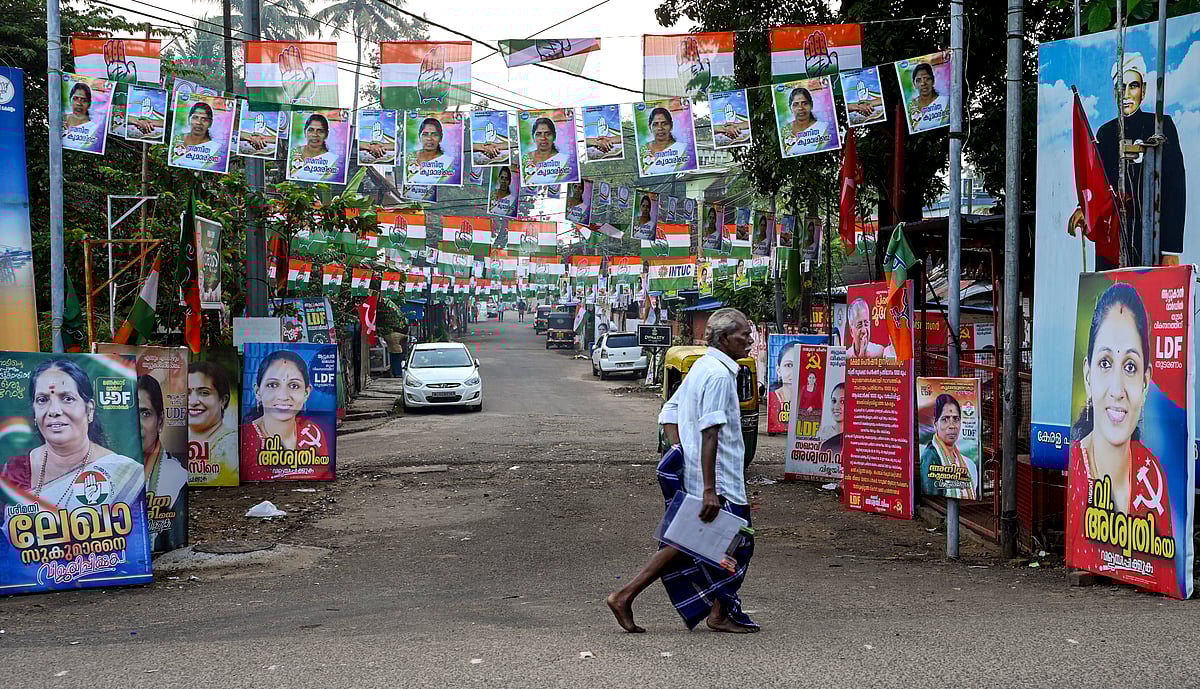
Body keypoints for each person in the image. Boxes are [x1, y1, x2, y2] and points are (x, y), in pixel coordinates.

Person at [607, 308, 759, 634]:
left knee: (686, 542)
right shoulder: (718, 375)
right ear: (723, 339)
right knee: (738, 543)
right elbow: (710, 433)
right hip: (720, 480)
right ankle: (718, 613)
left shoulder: (704, 365)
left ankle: (625, 595)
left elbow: (669, 411)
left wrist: (681, 450)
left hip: (701, 473)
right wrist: (709, 488)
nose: (749, 339)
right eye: (743, 334)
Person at [1066, 282, 1174, 592]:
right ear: (1088, 375)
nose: (1116, 389)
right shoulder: (1077, 466)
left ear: (1145, 380)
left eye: (1129, 366)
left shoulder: (1151, 476)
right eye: (1105, 363)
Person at [1079, 53, 1185, 270]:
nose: (1126, 94)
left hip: (1153, 239)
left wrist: (1171, 249)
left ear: (1143, 90)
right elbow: (1098, 181)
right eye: (1120, 87)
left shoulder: (1161, 126)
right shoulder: (1106, 133)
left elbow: (1175, 189)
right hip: (1113, 240)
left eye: (1133, 86)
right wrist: (1082, 208)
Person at [0, 359, 144, 511]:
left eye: (67, 399)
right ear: (34, 412)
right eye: (42, 400)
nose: (54, 411)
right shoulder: (12, 472)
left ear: (89, 410)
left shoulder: (124, 474)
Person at [240, 350, 330, 470]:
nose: (283, 396)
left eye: (294, 386)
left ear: (306, 393)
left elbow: (323, 473)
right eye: (272, 385)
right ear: (258, 392)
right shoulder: (244, 438)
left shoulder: (312, 432)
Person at [138, 374, 188, 550]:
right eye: (129, 414)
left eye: (145, 413)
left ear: (160, 421)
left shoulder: (177, 478)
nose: (136, 423)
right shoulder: (106, 473)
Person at [919, 393, 978, 500]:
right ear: (935, 423)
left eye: (956, 419)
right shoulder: (930, 457)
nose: (952, 426)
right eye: (945, 419)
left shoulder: (969, 465)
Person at [187, 361, 238, 482]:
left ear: (223, 400)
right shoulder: (174, 442)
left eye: (204, 393)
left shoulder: (230, 446)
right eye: (186, 393)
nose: (193, 401)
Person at [781, 87, 831, 156]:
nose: (800, 108)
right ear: (790, 108)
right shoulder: (785, 130)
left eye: (804, 103)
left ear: (811, 105)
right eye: (796, 104)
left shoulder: (823, 129)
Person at [642, 107, 691, 175]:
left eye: (664, 123)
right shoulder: (643, 150)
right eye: (655, 124)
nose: (660, 128)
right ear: (650, 127)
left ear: (671, 125)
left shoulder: (683, 149)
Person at [905, 62, 949, 131]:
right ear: (914, 84)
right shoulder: (910, 106)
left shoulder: (946, 102)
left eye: (927, 79)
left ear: (933, 80)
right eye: (919, 80)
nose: (923, 83)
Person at [769, 340, 799, 414]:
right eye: (789, 365)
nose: (794, 371)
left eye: (801, 364)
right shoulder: (772, 399)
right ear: (778, 370)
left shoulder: (815, 400)